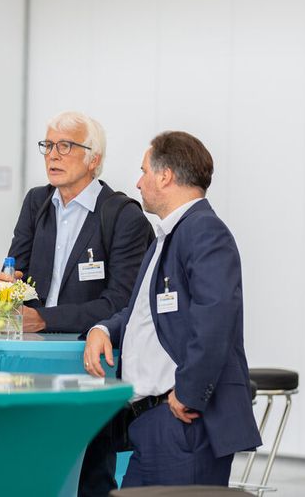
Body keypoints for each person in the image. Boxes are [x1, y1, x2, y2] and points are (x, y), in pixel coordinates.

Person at [84, 131, 261, 487]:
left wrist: (188, 394)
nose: (138, 182)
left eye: (144, 171)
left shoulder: (204, 232)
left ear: (165, 176)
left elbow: (215, 318)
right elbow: (145, 313)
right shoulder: (170, 235)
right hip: (154, 421)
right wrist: (103, 328)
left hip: (183, 421)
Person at [0, 111, 154, 496]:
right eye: (48, 145)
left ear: (93, 158)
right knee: (33, 466)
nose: (53, 155)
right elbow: (17, 270)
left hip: (88, 360)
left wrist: (42, 319)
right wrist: (4, 289)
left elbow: (119, 303)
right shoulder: (37, 203)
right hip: (31, 362)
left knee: (90, 473)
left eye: (66, 146)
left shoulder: (122, 216)